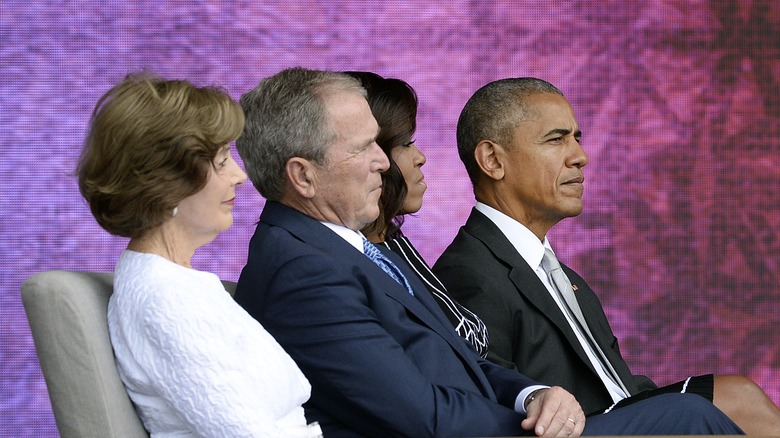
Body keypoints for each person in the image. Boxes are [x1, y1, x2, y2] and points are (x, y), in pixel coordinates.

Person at [233, 66, 743, 437]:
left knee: (702, 411)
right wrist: (533, 422)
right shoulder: (304, 270)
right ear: (302, 175)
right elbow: (421, 417)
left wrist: (533, 395)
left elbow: (463, 364)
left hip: (506, 419)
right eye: (366, 148)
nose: (384, 164)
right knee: (690, 417)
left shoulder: (347, 249)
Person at [433, 77, 780, 435]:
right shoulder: (467, 272)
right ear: (492, 160)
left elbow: (622, 390)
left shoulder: (566, 278)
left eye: (577, 138)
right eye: (556, 139)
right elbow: (482, 401)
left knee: (740, 397)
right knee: (726, 400)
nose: (580, 157)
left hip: (621, 416)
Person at [77, 72, 323, 438]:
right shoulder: (165, 299)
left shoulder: (171, 283)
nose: (240, 175)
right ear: (168, 182)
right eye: (222, 160)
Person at [345, 71, 490, 358]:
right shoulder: (355, 257)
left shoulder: (389, 239)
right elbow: (466, 339)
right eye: (406, 143)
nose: (420, 157)